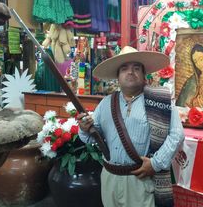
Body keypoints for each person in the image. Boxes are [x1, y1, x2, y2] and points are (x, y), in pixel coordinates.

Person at [78, 46, 185, 207]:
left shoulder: (161, 101)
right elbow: (91, 137)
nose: (130, 72)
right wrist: (84, 128)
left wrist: (155, 163)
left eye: (136, 68)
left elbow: (177, 134)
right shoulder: (106, 103)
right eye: (124, 68)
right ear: (117, 76)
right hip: (110, 179)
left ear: (143, 75)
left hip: (141, 181)